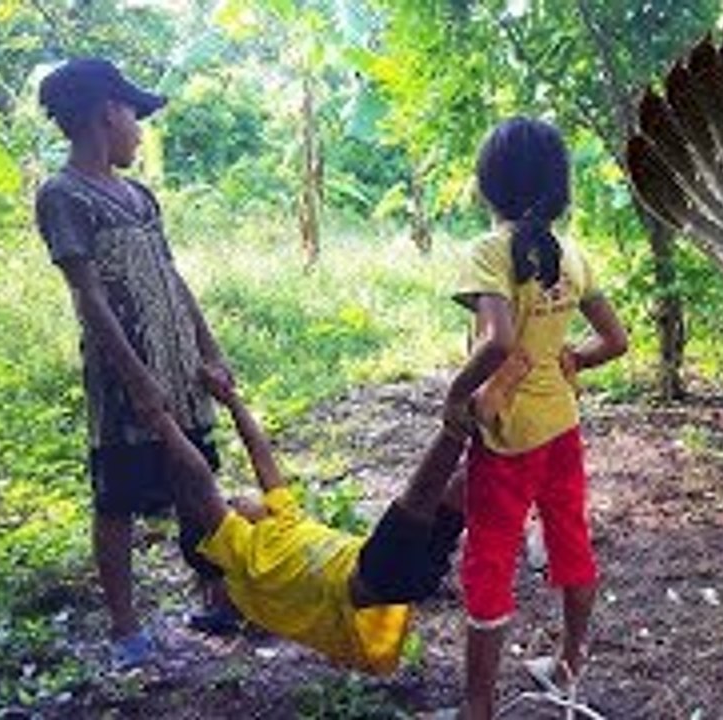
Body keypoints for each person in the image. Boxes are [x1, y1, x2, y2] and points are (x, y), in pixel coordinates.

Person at [33, 57, 235, 668]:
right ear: (106, 114)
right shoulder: (62, 195)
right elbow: (88, 295)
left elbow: (172, 278)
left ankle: (217, 596)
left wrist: (209, 348)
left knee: (196, 480)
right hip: (125, 377)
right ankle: (125, 630)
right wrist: (139, 380)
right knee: (117, 498)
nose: (140, 131)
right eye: (134, 117)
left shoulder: (140, 195)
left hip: (179, 363)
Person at [447, 117, 629, 718]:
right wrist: (569, 357)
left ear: (487, 185)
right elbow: (616, 341)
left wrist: (456, 395)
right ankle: (570, 665)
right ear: (559, 185)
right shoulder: (573, 255)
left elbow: (496, 342)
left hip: (506, 438)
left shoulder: (487, 252)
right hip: (562, 426)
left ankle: (478, 708)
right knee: (569, 537)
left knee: (491, 557)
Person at [158, 365, 469, 673]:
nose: (239, 498)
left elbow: (259, 450)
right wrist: (161, 421)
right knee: (439, 464)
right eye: (233, 502)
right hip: (372, 582)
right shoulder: (243, 555)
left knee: (465, 481)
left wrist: (231, 400)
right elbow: (199, 481)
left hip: (402, 574)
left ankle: (498, 416)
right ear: (226, 527)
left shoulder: (282, 519)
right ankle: (466, 415)